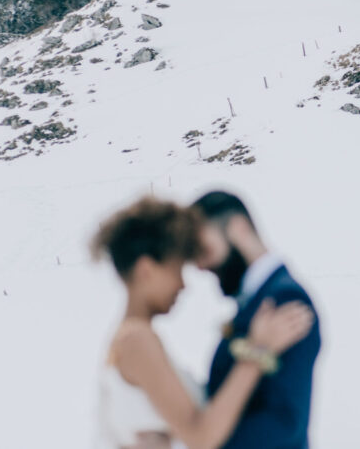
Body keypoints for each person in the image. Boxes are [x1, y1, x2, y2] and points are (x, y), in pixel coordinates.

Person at [92, 197, 314, 449]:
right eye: (177, 270)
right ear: (146, 270)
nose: (183, 284)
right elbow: (201, 437)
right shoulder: (137, 340)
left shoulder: (131, 337)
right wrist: (257, 351)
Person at [190, 191, 322, 449]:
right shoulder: (258, 299)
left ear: (238, 229)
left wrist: (203, 442)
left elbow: (284, 420)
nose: (201, 266)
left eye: (205, 249)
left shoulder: (285, 299)